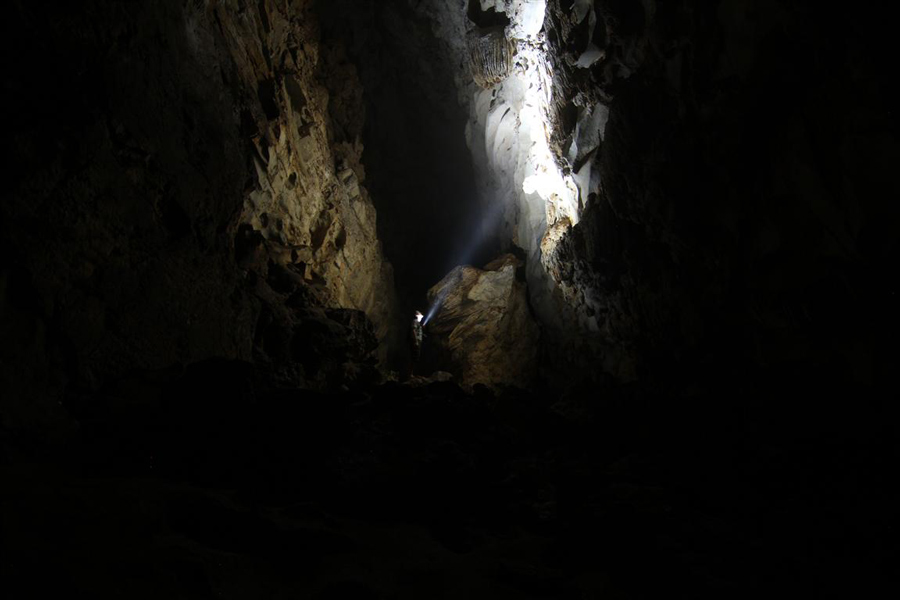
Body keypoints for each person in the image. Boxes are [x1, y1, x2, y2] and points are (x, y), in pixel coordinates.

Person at [409, 310, 424, 376]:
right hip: (416, 341)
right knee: (414, 357)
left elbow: (418, 331)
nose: (421, 316)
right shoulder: (415, 321)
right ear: (416, 315)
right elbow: (413, 330)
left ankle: (412, 373)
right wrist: (415, 341)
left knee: (416, 357)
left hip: (418, 341)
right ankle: (410, 374)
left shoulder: (418, 323)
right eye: (420, 314)